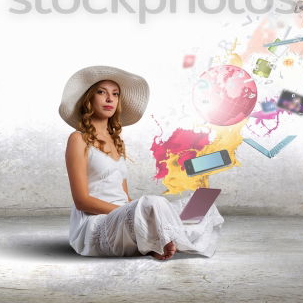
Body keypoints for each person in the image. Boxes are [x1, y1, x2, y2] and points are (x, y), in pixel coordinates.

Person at [59, 65, 224, 260]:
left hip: (125, 217)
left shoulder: (116, 142)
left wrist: (139, 213)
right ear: (88, 99)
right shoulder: (78, 139)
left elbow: (125, 196)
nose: (110, 99)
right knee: (152, 203)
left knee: (199, 202)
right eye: (101, 92)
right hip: (97, 222)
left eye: (115, 94)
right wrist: (139, 212)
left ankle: (158, 236)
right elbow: (81, 201)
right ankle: (162, 236)